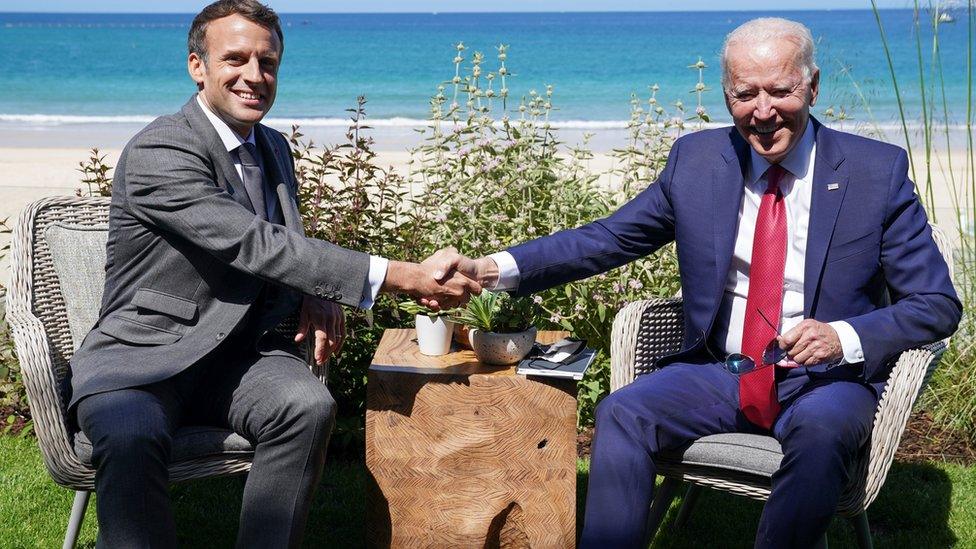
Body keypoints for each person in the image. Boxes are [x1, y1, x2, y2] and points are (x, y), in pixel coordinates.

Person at [428, 17, 961, 548]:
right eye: (745, 93)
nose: (763, 110)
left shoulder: (875, 173)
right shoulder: (698, 162)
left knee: (821, 435)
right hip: (721, 372)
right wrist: (489, 269)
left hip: (826, 383)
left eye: (781, 90)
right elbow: (605, 239)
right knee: (622, 411)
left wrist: (841, 336)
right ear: (725, 95)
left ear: (813, 86)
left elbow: (936, 304)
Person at [67, 1, 479, 547]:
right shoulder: (161, 149)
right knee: (130, 433)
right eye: (235, 59)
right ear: (198, 66)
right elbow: (252, 242)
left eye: (269, 62)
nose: (254, 76)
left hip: (239, 362)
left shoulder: (273, 146)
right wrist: (401, 275)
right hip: (143, 361)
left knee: (308, 405)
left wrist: (315, 290)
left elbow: (288, 242)